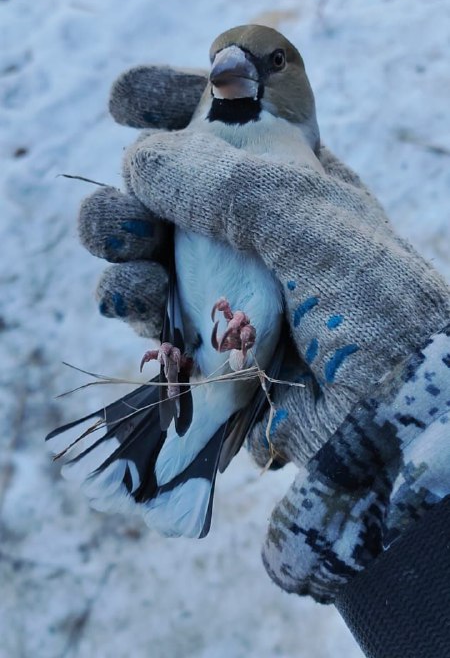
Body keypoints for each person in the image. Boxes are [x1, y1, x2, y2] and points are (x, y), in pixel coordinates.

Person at [78, 62, 450, 658]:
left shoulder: (274, 151)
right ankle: (179, 416)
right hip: (227, 354)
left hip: (244, 350)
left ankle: (178, 436)